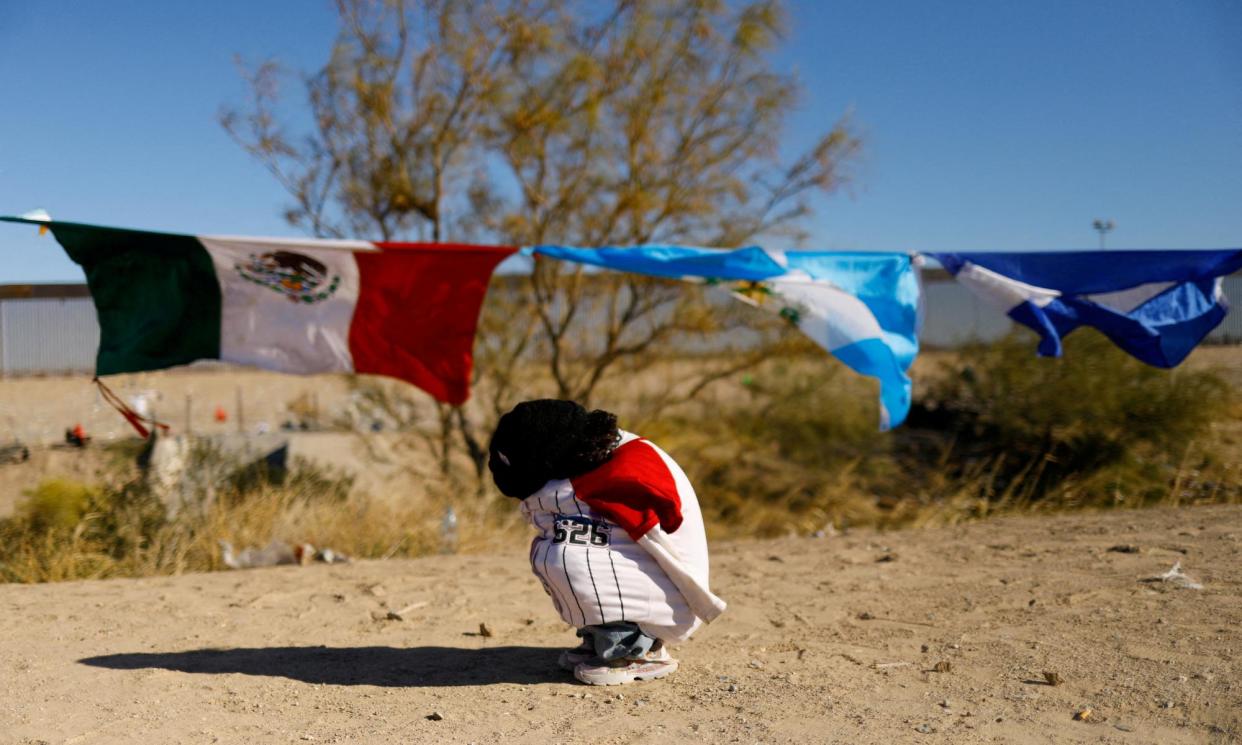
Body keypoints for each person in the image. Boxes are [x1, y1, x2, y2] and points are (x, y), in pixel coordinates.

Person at [488, 399, 726, 686]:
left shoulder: (625, 465)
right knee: (554, 548)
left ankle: (635, 648)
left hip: (676, 596)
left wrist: (699, 602)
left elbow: (664, 524)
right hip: (658, 582)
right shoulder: (591, 453)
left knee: (566, 555)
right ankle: (604, 637)